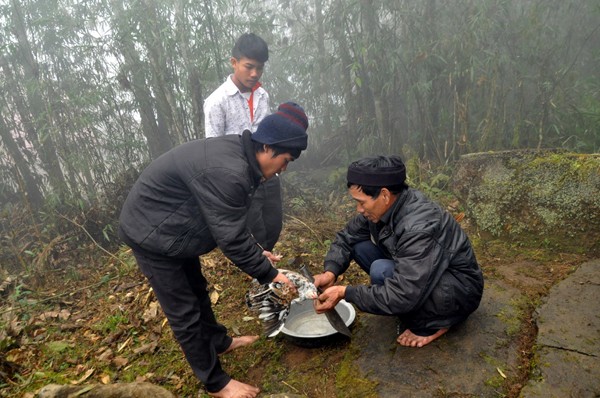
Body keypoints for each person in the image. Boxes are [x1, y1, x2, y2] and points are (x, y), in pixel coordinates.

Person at [118, 102, 309, 398]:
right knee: (184, 310)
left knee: (197, 289)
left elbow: (228, 217)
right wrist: (270, 275)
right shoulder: (229, 170)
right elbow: (231, 238)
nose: (284, 168)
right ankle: (215, 382)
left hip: (175, 227)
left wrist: (257, 251)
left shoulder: (242, 159)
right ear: (268, 147)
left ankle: (219, 342)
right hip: (152, 233)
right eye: (285, 160)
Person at [313, 155, 484, 348]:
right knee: (358, 246)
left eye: (361, 202)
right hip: (423, 273)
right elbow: (347, 238)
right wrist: (331, 271)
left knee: (381, 271)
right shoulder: (381, 208)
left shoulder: (419, 225)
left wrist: (347, 293)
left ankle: (434, 324)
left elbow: (405, 292)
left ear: (384, 195)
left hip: (457, 292)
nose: (358, 209)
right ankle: (408, 307)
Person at [203, 33, 281, 252]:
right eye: (249, 67)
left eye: (260, 68)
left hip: (268, 175)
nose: (255, 73)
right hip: (242, 180)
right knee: (255, 233)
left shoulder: (262, 96)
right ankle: (263, 278)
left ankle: (268, 271)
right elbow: (214, 151)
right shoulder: (216, 102)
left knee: (273, 226)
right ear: (234, 62)